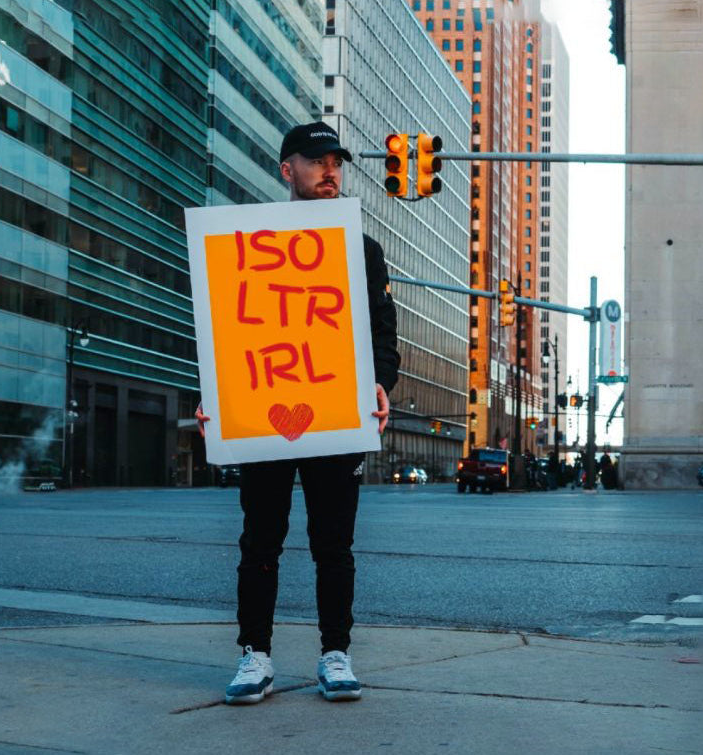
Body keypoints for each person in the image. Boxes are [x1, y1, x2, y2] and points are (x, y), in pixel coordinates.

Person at [196, 122, 400, 705]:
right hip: (265, 412)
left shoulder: (361, 248)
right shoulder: (246, 238)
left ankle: (335, 653)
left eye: (336, 160)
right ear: (288, 170)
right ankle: (254, 655)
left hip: (337, 412)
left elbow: (381, 332)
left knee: (333, 545)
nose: (330, 169)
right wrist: (215, 391)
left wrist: (382, 384)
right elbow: (227, 330)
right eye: (316, 161)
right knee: (260, 540)